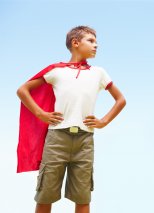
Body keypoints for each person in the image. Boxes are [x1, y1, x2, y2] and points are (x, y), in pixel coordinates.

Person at [16, 25, 126, 213]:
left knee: (82, 196)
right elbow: (22, 90)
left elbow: (120, 99)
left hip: (84, 141)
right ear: (75, 43)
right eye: (90, 41)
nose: (96, 45)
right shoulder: (57, 71)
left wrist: (104, 121)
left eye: (96, 42)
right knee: (45, 195)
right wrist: (41, 114)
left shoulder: (98, 73)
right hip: (57, 140)